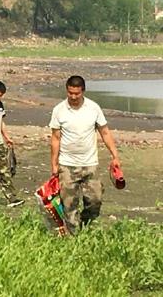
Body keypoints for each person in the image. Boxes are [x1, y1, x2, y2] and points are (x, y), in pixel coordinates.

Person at [50, 75, 121, 233]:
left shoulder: (93, 108)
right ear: (67, 91)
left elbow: (105, 132)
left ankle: (83, 223)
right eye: (70, 93)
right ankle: (74, 238)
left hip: (90, 164)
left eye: (77, 93)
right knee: (69, 205)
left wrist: (115, 156)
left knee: (95, 201)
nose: (73, 97)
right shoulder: (59, 110)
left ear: (83, 91)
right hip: (67, 164)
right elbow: (55, 138)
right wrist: (54, 165)